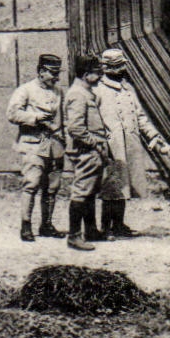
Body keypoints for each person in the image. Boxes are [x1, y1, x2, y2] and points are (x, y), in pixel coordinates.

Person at [93, 47, 170, 238]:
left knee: (125, 184)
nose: (121, 70)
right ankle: (106, 226)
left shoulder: (128, 89)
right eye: (117, 67)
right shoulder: (97, 90)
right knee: (111, 186)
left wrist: (155, 138)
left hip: (130, 143)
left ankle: (119, 224)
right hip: (111, 146)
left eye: (122, 66)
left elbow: (141, 117)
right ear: (107, 68)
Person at [6, 53, 66, 242]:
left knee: (52, 188)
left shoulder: (58, 92)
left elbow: (61, 118)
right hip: (33, 144)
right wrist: (35, 118)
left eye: (58, 73)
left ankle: (46, 224)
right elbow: (12, 113)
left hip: (54, 145)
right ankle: (26, 225)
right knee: (31, 184)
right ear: (41, 71)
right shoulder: (25, 90)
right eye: (52, 73)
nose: (56, 77)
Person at [63, 53, 108, 252]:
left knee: (90, 191)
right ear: (86, 74)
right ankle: (74, 236)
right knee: (82, 191)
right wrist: (95, 144)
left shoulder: (86, 92)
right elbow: (75, 128)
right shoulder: (77, 94)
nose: (99, 77)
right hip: (86, 150)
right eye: (97, 73)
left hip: (93, 150)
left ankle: (91, 230)